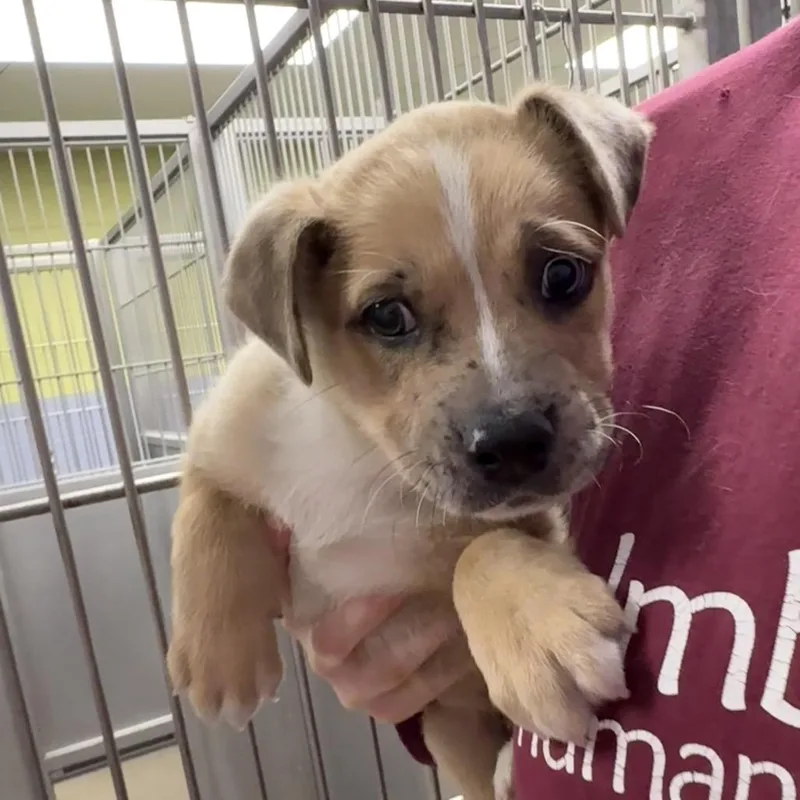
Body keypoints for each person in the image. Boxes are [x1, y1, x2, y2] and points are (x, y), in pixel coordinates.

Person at [283, 17, 800, 797]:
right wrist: (427, 651)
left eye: (560, 279)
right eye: (392, 318)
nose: (508, 408)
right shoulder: (693, 140)